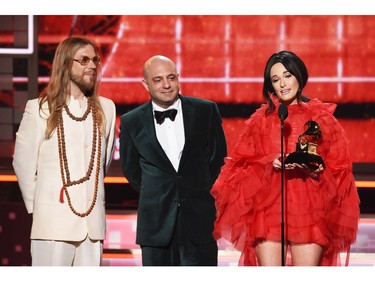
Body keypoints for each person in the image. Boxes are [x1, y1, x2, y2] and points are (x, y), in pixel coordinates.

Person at [211, 50, 360, 266]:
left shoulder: (323, 119)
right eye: (275, 79)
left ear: (299, 75)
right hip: (267, 210)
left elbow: (341, 169)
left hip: (310, 210)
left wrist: (316, 169)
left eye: (287, 75)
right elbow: (238, 167)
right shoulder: (260, 121)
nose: (282, 84)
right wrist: (269, 162)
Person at [12, 37, 116, 266]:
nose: (92, 66)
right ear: (65, 64)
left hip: (92, 226)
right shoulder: (40, 108)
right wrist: (40, 208)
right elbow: (23, 162)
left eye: (95, 60)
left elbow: (103, 163)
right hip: (52, 224)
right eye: (84, 60)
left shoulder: (106, 108)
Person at [119, 55, 227, 266]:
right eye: (158, 80)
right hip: (155, 225)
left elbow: (218, 161)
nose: (166, 85)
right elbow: (132, 171)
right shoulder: (131, 122)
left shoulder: (206, 111)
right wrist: (158, 192)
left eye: (171, 78)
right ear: (146, 84)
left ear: (178, 78)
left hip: (199, 221)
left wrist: (197, 189)